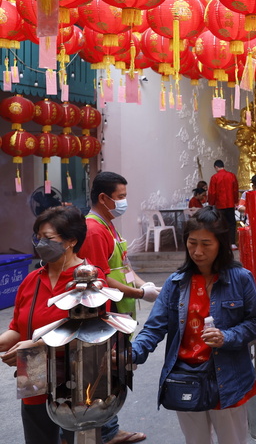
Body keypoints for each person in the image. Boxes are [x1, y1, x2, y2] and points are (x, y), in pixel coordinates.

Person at [130, 207, 256, 444]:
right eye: (192, 243)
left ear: (221, 244)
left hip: (228, 377)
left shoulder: (241, 278)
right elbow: (154, 328)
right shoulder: (176, 283)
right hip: (186, 376)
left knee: (232, 440)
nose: (197, 251)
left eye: (206, 244)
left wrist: (227, 336)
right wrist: (131, 354)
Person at [0, 206, 103, 444]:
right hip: (34, 383)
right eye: (37, 237)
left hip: (77, 387)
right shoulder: (32, 280)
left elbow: (95, 338)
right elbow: (18, 328)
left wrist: (34, 348)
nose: (40, 243)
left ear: (71, 241)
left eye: (48, 238)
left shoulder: (90, 280)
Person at [79, 171, 154, 444]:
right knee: (103, 371)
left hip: (120, 311)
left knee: (113, 372)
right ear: (103, 197)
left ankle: (110, 428)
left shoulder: (108, 224)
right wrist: (139, 293)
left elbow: (122, 266)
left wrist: (146, 286)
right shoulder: (94, 229)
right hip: (105, 313)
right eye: (120, 197)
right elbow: (101, 277)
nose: (124, 202)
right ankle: (106, 431)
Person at [207, 160, 239, 247]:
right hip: (230, 203)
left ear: (216, 167)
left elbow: (212, 192)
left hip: (220, 204)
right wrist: (236, 201)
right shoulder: (232, 176)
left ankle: (222, 243)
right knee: (231, 223)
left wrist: (211, 203)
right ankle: (232, 243)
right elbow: (235, 190)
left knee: (220, 223)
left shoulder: (214, 177)